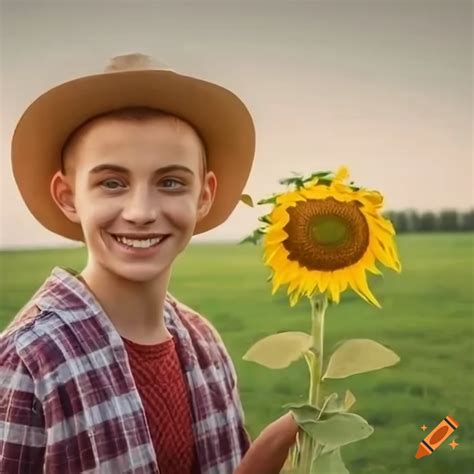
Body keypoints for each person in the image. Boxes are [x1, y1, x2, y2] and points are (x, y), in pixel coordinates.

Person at [0, 53, 298, 473]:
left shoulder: (204, 345)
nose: (140, 211)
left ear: (204, 196)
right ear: (68, 197)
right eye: (112, 183)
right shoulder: (30, 361)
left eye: (170, 182)